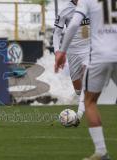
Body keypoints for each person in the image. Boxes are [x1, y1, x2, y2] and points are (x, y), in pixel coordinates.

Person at [55, 0, 117, 159]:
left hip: (94, 53)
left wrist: (60, 52)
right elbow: (58, 31)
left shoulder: (87, 2)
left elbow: (75, 24)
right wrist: (60, 51)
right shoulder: (66, 9)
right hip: (80, 53)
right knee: (79, 89)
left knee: (89, 100)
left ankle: (100, 150)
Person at [53, 0, 90, 126]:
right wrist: (57, 52)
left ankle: (78, 115)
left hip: (89, 49)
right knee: (78, 89)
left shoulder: (91, 5)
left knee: (86, 79)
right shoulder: (65, 10)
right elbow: (56, 34)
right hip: (72, 52)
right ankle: (85, 101)